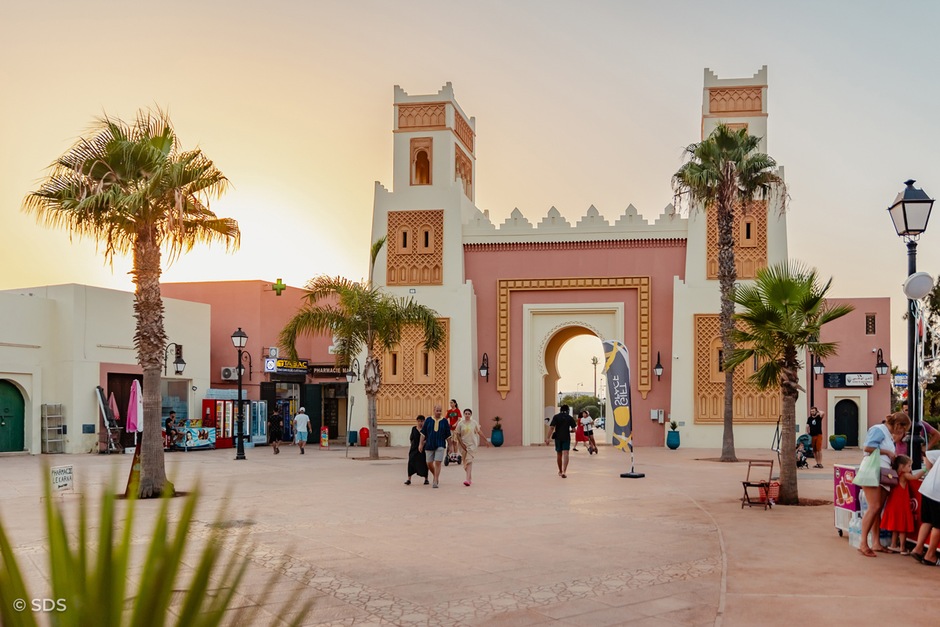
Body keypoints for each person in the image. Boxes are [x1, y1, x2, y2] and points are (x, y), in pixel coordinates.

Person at [856, 412, 910, 557]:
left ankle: (875, 542)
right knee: (874, 507)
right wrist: (887, 452)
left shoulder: (886, 433)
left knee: (876, 508)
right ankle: (863, 543)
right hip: (873, 471)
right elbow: (867, 447)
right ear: (898, 425)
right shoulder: (879, 430)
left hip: (880, 472)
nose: (903, 433)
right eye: (903, 429)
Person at [881, 454, 927, 554]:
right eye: (909, 466)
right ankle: (902, 547)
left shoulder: (894, 473)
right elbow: (915, 477)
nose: (910, 468)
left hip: (893, 503)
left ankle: (893, 545)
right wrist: (925, 469)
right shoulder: (904, 475)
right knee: (902, 527)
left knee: (895, 526)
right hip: (901, 504)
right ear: (902, 466)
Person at [911, 450, 940, 565]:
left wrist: (930, 470)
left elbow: (927, 455)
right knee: (938, 525)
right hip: (937, 493)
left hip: (927, 487)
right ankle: (930, 555)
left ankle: (918, 549)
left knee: (927, 521)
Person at [454, 408, 489, 486]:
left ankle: (467, 480)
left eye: (468, 414)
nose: (467, 415)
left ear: (470, 415)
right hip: (463, 445)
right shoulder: (460, 424)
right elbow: (457, 434)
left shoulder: (474, 423)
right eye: (465, 413)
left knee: (469, 460)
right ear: (463, 414)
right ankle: (469, 478)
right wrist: (462, 444)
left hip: (472, 445)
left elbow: (479, 432)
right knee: (465, 462)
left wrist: (485, 440)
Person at [419, 404, 451, 488]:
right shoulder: (428, 420)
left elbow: (448, 435)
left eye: (440, 410)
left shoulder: (444, 421)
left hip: (440, 444)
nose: (439, 412)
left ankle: (435, 480)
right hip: (429, 444)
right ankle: (435, 474)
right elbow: (423, 433)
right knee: (429, 463)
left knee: (438, 462)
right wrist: (420, 444)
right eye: (437, 410)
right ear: (434, 410)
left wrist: (450, 446)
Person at [545, 404, 577, 478]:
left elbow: (552, 427)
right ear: (568, 411)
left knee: (559, 454)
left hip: (558, 438)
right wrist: (570, 431)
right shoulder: (570, 418)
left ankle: (560, 470)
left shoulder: (556, 417)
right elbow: (574, 429)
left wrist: (548, 438)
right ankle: (564, 471)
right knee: (566, 453)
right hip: (566, 437)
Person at [406, 415, 429, 485]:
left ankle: (426, 479)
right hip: (414, 449)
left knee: (424, 463)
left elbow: (428, 439)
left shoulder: (426, 429)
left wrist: (422, 443)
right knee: (411, 462)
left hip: (423, 449)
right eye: (419, 421)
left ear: (424, 422)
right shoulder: (414, 429)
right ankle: (409, 479)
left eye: (422, 421)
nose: (420, 423)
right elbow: (411, 438)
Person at [445, 399, 462, 465]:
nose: (451, 404)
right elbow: (446, 418)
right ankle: (451, 454)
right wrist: (447, 424)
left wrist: (456, 423)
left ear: (455, 403)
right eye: (450, 403)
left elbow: (459, 418)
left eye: (452, 403)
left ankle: (455, 454)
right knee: (450, 441)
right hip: (450, 428)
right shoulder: (449, 411)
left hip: (456, 429)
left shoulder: (457, 410)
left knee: (455, 442)